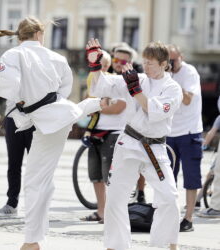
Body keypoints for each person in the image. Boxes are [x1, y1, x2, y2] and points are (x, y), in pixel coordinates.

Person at [0, 17, 103, 250]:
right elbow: (64, 89)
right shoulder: (57, 58)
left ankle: (32, 241)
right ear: (40, 35)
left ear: (19, 36)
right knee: (43, 182)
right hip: (55, 118)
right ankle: (36, 239)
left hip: (49, 121)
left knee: (33, 182)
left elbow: (9, 85)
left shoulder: (13, 55)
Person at [87, 39, 182, 250]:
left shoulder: (173, 88)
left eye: (151, 63)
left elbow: (154, 111)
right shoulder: (137, 78)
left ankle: (166, 244)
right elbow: (103, 86)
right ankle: (116, 245)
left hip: (155, 148)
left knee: (168, 197)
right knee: (115, 198)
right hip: (129, 142)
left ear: (164, 63)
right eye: (145, 61)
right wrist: (95, 66)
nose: (145, 66)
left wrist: (136, 90)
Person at [80, 51, 127, 223]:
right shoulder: (93, 83)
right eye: (102, 64)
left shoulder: (117, 82)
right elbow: (87, 103)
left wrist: (96, 106)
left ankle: (114, 213)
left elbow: (118, 108)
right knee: (96, 176)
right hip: (95, 132)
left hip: (113, 133)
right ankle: (102, 211)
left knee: (110, 177)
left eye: (107, 64)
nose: (104, 67)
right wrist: (100, 104)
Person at [167, 44, 203, 232]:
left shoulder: (190, 72)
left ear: (181, 56)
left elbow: (187, 99)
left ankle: (188, 218)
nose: (171, 64)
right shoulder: (165, 73)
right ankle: (169, 215)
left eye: (174, 60)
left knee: (191, 177)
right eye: (168, 60)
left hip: (189, 132)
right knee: (167, 178)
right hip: (170, 132)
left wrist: (171, 81)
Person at [108, 43, 147, 203]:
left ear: (129, 63)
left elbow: (121, 105)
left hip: (134, 126)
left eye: (123, 62)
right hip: (116, 126)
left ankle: (141, 191)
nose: (118, 63)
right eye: (116, 59)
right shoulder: (110, 73)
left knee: (140, 161)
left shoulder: (137, 75)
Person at [0, 101, 35, 217]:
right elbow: (2, 88)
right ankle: (11, 204)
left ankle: (36, 205)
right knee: (14, 165)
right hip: (12, 118)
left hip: (35, 120)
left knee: (36, 167)